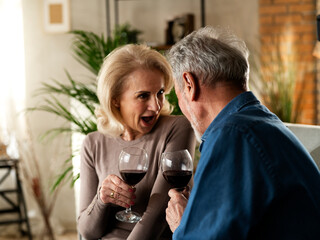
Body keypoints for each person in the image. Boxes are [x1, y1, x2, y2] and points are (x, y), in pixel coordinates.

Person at [165, 26, 320, 239]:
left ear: (189, 84)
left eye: (178, 94)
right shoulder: (262, 123)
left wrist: (182, 226)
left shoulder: (232, 135)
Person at [77, 44, 196, 240]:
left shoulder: (177, 128)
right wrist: (101, 199)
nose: (156, 105)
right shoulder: (93, 143)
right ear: (115, 99)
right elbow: (88, 232)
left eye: (159, 93)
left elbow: (156, 217)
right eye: (143, 96)